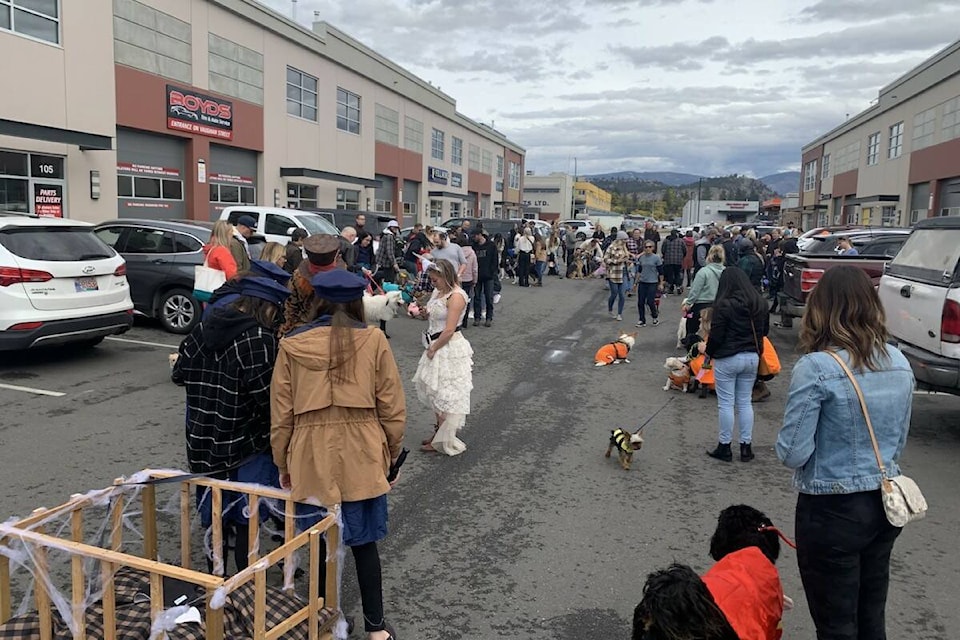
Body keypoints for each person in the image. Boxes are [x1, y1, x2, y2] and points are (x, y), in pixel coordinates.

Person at [776, 267, 914, 640]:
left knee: (836, 623)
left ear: (820, 309)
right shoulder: (899, 363)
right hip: (885, 506)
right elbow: (898, 440)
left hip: (831, 510)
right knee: (871, 614)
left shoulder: (818, 367)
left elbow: (792, 452)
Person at [271, 269, 405, 640]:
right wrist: (391, 456)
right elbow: (392, 407)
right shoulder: (374, 340)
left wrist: (282, 461)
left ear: (317, 299)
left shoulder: (291, 344)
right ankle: (376, 628)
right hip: (362, 448)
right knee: (364, 543)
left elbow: (281, 413)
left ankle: (319, 621)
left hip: (310, 450)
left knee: (317, 540)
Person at [173, 275, 290, 575]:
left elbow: (178, 374)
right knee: (246, 517)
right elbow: (267, 399)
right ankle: (243, 588)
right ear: (267, 308)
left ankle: (216, 580)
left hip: (201, 440)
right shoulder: (258, 339)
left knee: (214, 515)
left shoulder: (201, 328)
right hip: (245, 445)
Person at [704, 268, 768, 463]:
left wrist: (709, 354)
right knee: (745, 401)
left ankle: (725, 446)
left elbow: (716, 335)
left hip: (728, 357)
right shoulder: (760, 303)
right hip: (752, 356)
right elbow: (764, 330)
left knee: (726, 403)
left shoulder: (724, 305)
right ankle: (746, 447)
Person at [412, 259, 474, 456]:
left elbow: (449, 329)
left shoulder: (456, 297)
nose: (433, 283)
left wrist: (433, 348)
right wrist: (423, 313)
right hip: (435, 343)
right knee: (435, 392)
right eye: (431, 280)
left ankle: (443, 436)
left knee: (445, 392)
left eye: (435, 280)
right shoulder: (439, 292)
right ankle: (439, 433)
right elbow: (434, 317)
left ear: (445, 277)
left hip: (448, 347)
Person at [279, 234, 342, 337]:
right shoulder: (341, 280)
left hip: (302, 329)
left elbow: (291, 307)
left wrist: (288, 329)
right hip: (332, 331)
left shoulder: (297, 276)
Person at [683, 244, 726, 342]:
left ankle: (691, 347)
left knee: (691, 327)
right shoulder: (726, 271)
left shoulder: (704, 272)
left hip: (702, 305)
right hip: (720, 305)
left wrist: (688, 303)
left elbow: (695, 289)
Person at [634, 239, 664, 328]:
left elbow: (661, 272)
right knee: (640, 302)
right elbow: (639, 271)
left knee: (650, 301)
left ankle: (655, 317)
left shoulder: (656, 258)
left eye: (650, 247)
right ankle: (642, 320)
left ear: (653, 248)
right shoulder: (642, 258)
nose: (648, 249)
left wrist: (661, 283)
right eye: (646, 247)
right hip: (643, 282)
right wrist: (635, 283)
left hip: (653, 282)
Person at [603, 231, 631, 321]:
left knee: (622, 295)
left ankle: (619, 313)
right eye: (624, 240)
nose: (625, 242)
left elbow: (626, 259)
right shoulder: (611, 247)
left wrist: (627, 261)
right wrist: (617, 261)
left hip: (623, 272)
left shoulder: (625, 248)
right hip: (613, 273)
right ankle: (610, 309)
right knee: (614, 293)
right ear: (620, 239)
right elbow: (605, 259)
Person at [472, 229, 497, 326]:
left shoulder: (491, 246)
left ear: (480, 235)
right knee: (477, 297)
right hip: (477, 275)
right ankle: (477, 317)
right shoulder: (474, 246)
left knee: (488, 297)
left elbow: (495, 260)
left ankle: (489, 318)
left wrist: (492, 272)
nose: (474, 238)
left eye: (475, 236)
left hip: (488, 276)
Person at [455, 237, 478, 328]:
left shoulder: (456, 252)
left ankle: (457, 321)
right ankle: (464, 321)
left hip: (458, 278)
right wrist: (475, 280)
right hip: (468, 279)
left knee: (456, 300)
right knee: (466, 300)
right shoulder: (472, 253)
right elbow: (475, 268)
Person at [661, 229, 686, 294]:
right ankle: (678, 286)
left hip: (668, 260)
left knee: (670, 274)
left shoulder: (666, 240)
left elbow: (663, 250)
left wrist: (665, 255)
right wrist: (682, 256)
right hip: (678, 261)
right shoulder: (681, 241)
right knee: (677, 274)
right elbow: (684, 250)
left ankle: (670, 288)